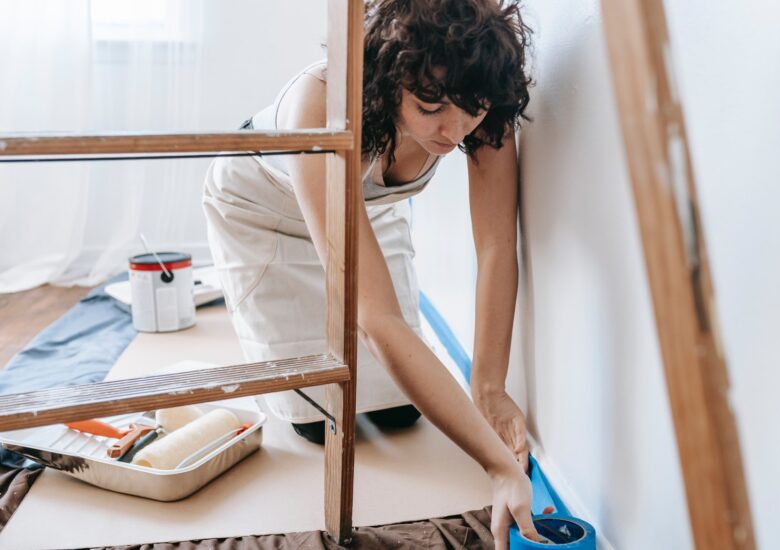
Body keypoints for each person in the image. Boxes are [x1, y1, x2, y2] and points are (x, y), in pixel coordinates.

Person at [202, 0, 539, 545]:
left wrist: (490, 388)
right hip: (260, 211)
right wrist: (498, 466)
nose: (455, 131)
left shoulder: (481, 99)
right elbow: (376, 318)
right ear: (389, 75)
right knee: (320, 422)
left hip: (366, 209)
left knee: (401, 411)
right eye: (432, 107)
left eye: (471, 108)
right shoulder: (323, 102)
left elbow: (498, 246)